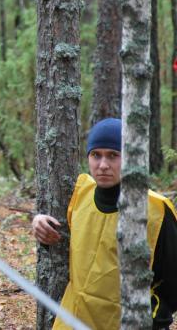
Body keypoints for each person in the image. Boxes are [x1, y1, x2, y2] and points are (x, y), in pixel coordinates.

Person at [32, 118, 177, 329]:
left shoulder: (155, 210)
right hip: (72, 321)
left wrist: (152, 319)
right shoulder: (81, 192)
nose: (103, 165)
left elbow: (173, 283)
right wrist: (38, 222)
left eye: (113, 155)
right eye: (96, 155)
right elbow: (61, 240)